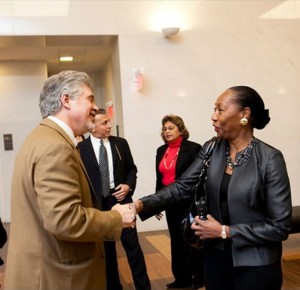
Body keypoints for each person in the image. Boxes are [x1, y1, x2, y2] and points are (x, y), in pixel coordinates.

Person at [135, 86, 292, 290]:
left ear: (244, 114)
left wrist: (225, 231)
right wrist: (139, 205)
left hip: (256, 265)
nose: (213, 116)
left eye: (220, 110)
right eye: (214, 109)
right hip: (215, 259)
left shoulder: (270, 159)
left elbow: (280, 226)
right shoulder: (211, 148)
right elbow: (183, 186)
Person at [4, 70, 136, 290]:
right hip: (55, 277)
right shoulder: (56, 146)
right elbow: (65, 220)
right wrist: (115, 217)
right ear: (65, 100)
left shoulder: (43, 137)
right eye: (90, 99)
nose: (95, 107)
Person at [78, 108, 151, 290]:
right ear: (92, 127)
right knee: (106, 249)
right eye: (104, 123)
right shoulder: (81, 149)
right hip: (98, 203)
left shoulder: (121, 143)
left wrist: (128, 185)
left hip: (121, 199)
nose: (109, 125)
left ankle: (143, 287)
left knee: (132, 247)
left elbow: (132, 170)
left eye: (109, 121)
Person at [153, 114, 204, 289]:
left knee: (192, 240)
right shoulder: (161, 150)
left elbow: (200, 177)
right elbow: (160, 178)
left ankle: (198, 277)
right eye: (164, 129)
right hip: (170, 202)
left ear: (180, 129)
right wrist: (157, 202)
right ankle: (181, 278)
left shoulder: (194, 148)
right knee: (176, 241)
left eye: (170, 128)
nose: (167, 131)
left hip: (189, 202)